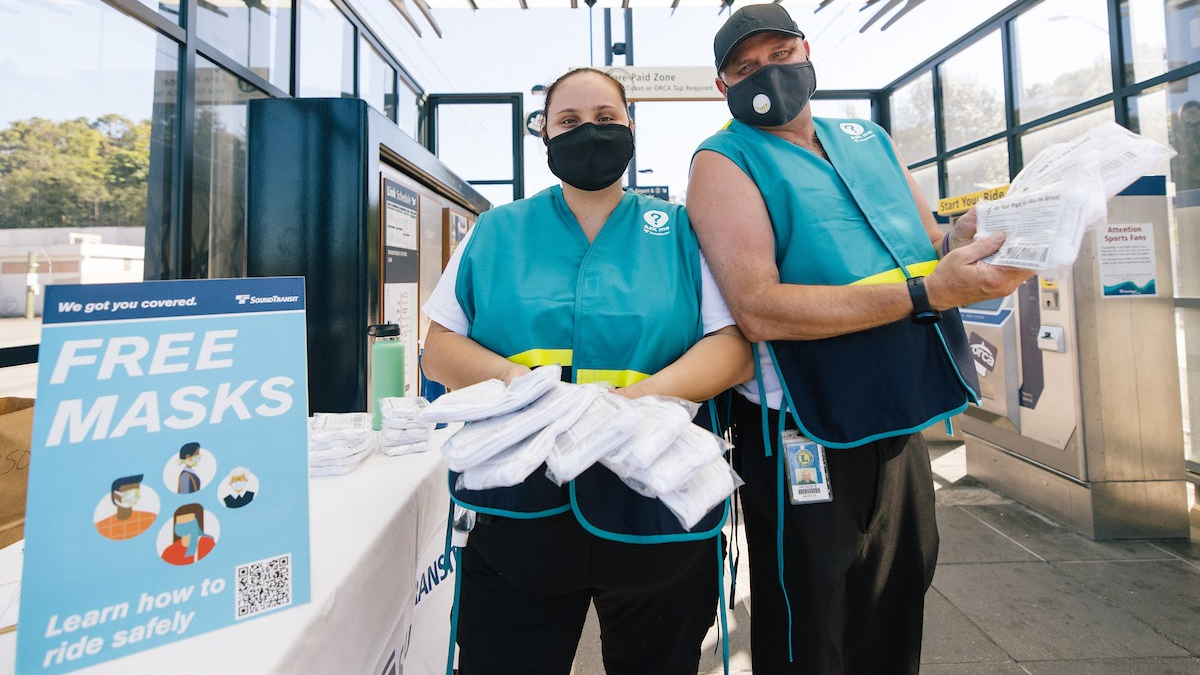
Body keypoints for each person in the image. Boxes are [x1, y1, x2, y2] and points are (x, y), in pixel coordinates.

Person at [686, 4, 1035, 674]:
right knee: (809, 624)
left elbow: (929, 240)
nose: (767, 73)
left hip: (896, 411)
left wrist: (973, 239)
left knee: (897, 598)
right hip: (802, 428)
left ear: (806, 51)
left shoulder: (866, 138)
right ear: (722, 86)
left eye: (779, 55)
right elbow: (759, 309)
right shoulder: (724, 161)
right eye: (745, 66)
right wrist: (928, 292)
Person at [421, 67, 754, 675]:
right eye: (568, 122)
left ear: (632, 125)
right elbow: (440, 349)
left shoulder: (681, 231)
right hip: (519, 508)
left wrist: (624, 409)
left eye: (606, 118)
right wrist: (545, 397)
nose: (589, 132)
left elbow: (731, 347)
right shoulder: (498, 230)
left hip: (658, 505)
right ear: (544, 135)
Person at [94, 474, 156, 540]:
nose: (134, 495)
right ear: (115, 495)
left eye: (136, 491)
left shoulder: (148, 518)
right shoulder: (104, 526)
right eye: (129, 492)